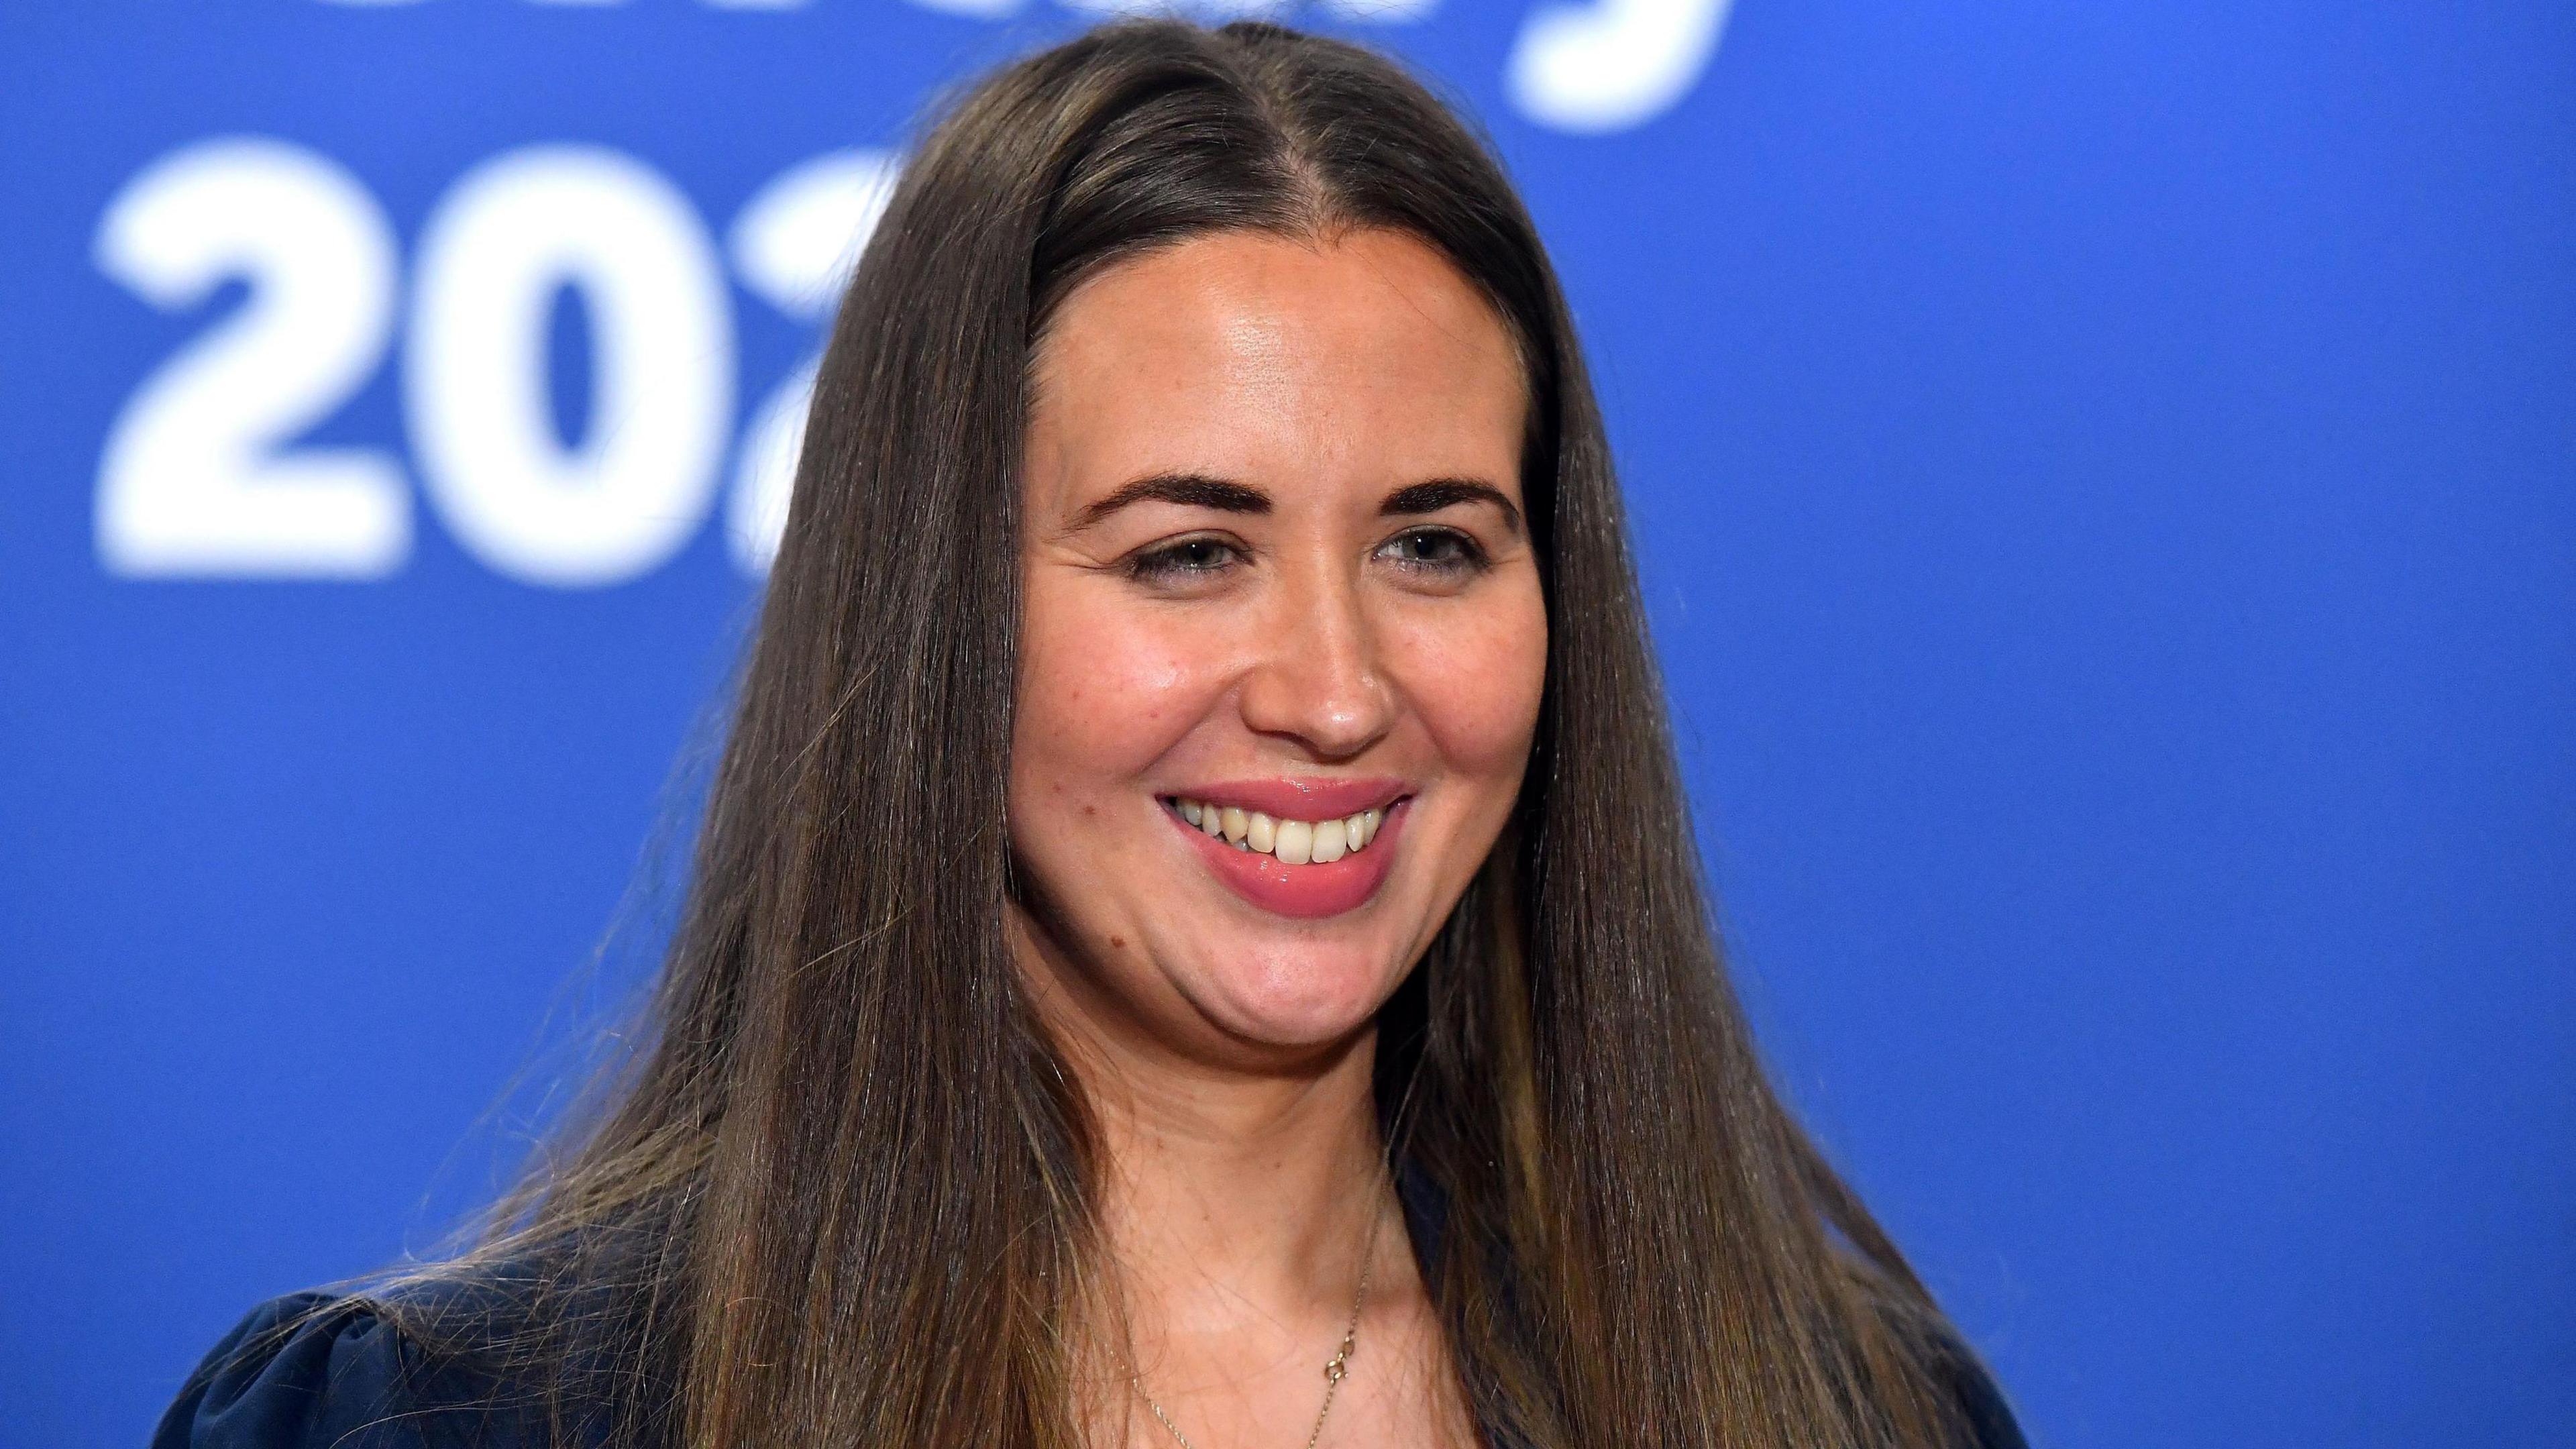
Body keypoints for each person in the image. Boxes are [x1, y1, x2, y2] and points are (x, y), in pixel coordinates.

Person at [156, 17, 2025, 1449]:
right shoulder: (452, 1423)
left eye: (1434, 545)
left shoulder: (1835, 1408)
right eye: (1192, 550)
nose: (1335, 691)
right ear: (939, 608)